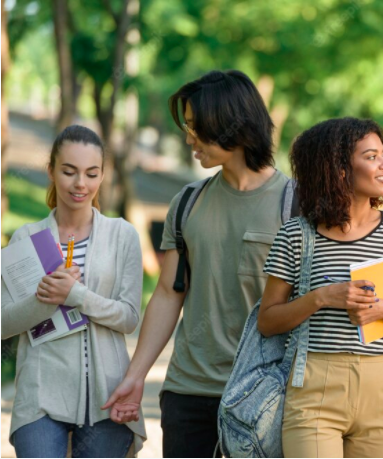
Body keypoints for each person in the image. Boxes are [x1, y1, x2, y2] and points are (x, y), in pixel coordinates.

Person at [102, 70, 293, 457]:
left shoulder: (296, 205)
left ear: (231, 127)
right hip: (188, 393)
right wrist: (136, 376)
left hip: (266, 396)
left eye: (196, 128)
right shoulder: (188, 202)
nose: (188, 139)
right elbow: (169, 296)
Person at [258, 117, 383, 458]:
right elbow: (267, 321)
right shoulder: (296, 235)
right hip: (314, 385)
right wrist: (322, 297)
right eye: (371, 157)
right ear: (339, 169)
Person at [1, 125, 146, 457]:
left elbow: (129, 317)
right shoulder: (27, 238)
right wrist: (45, 298)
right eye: (69, 171)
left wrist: (76, 295)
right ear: (51, 170)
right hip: (39, 396)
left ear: (102, 175)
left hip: (106, 397)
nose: (81, 183)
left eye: (91, 173)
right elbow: (3, 323)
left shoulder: (122, 235)